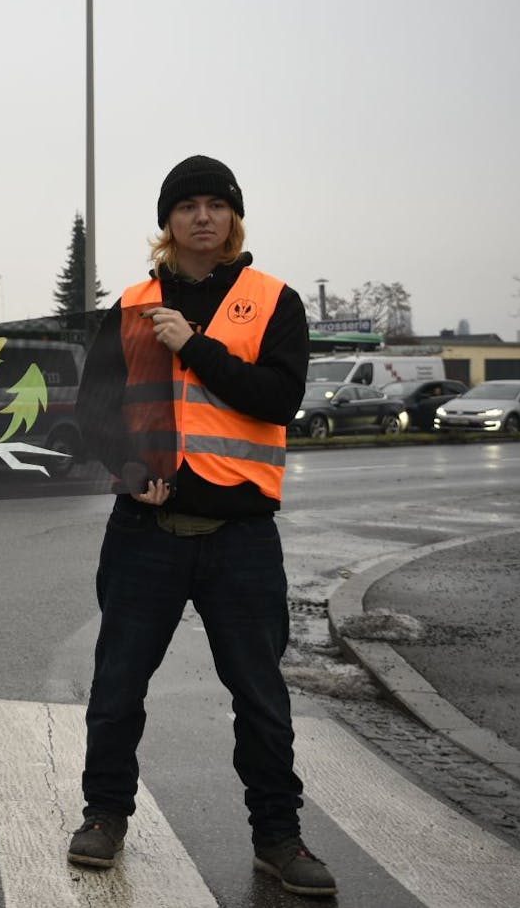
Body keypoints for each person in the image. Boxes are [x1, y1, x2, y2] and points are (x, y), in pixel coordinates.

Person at [70, 156, 335, 897]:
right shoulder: (129, 306)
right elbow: (91, 411)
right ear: (169, 222)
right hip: (144, 533)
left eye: (216, 204)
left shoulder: (272, 300)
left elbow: (278, 399)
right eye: (187, 205)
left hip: (241, 535)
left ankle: (278, 837)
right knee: (117, 685)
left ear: (233, 218)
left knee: (259, 696)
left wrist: (194, 344)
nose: (202, 217)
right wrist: (128, 471)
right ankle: (104, 815)